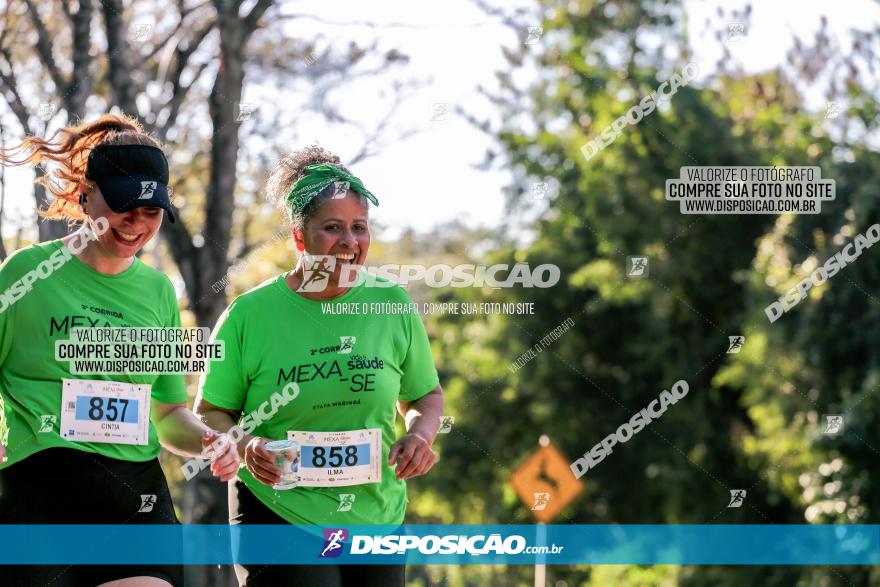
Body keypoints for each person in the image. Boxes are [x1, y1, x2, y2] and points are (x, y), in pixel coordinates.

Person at [0, 114, 239, 587]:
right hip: (39, 493)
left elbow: (169, 413)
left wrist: (209, 440)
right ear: (87, 194)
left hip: (135, 497)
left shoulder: (158, 293)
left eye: (152, 213)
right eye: (125, 207)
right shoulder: (25, 274)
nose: (137, 225)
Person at [195, 146, 445, 587]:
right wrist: (248, 444)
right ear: (298, 235)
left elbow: (425, 395)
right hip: (278, 510)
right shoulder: (249, 316)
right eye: (332, 228)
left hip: (375, 514)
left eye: (359, 227)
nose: (349, 242)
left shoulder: (391, 305)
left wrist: (420, 435)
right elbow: (211, 412)